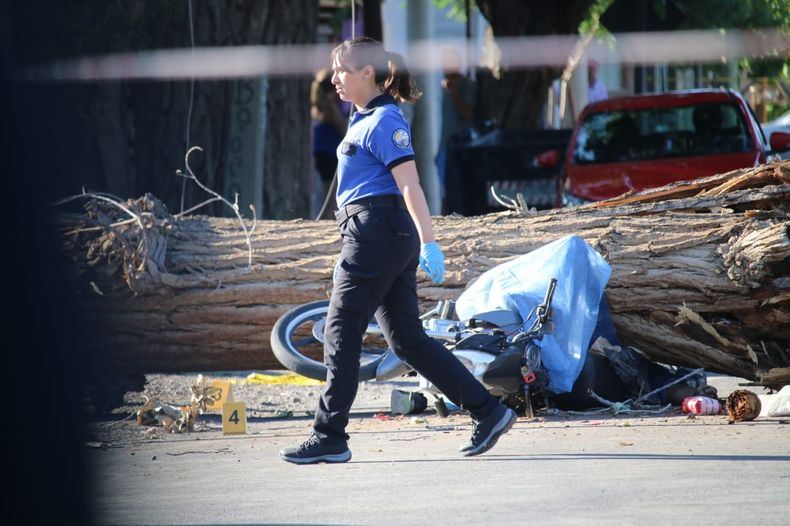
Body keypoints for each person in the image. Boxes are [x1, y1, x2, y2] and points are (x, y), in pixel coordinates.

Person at [280, 37, 516, 464]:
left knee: (340, 331)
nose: (334, 79)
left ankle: (329, 434)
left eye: (342, 70)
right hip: (375, 231)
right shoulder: (364, 116)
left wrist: (430, 241)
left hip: (378, 231)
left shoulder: (385, 120)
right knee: (407, 340)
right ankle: (489, 411)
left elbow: (410, 184)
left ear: (366, 73)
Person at [436, 48, 475, 212]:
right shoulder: (439, 86)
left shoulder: (467, 84)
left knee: (458, 188)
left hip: (459, 145)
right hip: (442, 146)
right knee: (442, 189)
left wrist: (455, 93)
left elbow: (467, 112)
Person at [310, 69, 346, 198]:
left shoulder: (316, 104)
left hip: (320, 151)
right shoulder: (330, 106)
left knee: (326, 190)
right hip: (330, 151)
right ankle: (330, 215)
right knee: (331, 193)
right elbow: (341, 127)